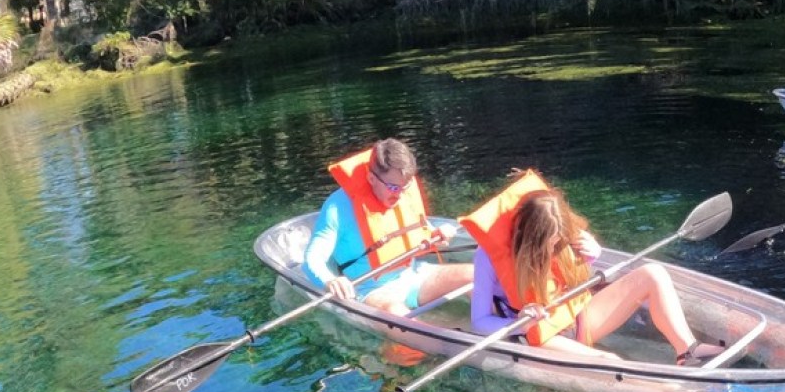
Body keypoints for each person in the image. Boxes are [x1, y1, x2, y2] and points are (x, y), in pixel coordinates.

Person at [460, 171, 723, 365]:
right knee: (609, 360)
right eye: (548, 245)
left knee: (654, 274)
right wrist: (520, 323)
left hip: (578, 317)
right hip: (540, 335)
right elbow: (479, 321)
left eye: (559, 241)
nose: (555, 249)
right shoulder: (488, 258)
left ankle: (687, 350)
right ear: (528, 238)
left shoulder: (564, 236)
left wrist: (592, 255)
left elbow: (575, 279)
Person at [302, 138, 471, 315]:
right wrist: (330, 281)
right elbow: (312, 259)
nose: (399, 195)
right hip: (370, 289)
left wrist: (436, 235)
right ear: (371, 178)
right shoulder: (338, 207)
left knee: (474, 275)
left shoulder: (402, 192)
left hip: (413, 275)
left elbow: (418, 231)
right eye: (392, 187)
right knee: (397, 313)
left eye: (405, 187)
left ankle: (491, 326)